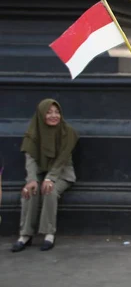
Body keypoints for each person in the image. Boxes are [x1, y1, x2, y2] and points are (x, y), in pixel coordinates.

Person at [11, 99, 78, 252]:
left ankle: (49, 234)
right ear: (41, 115)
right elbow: (31, 159)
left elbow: (62, 160)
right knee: (30, 191)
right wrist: (32, 180)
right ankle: (25, 235)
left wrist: (50, 179)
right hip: (40, 173)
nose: (54, 116)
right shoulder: (33, 133)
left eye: (57, 112)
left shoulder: (68, 133)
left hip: (62, 174)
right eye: (49, 112)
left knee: (50, 190)